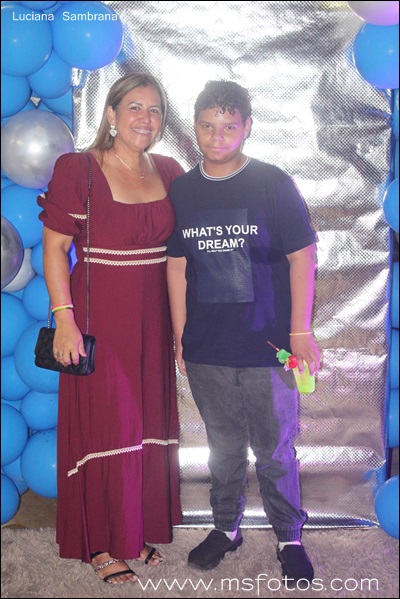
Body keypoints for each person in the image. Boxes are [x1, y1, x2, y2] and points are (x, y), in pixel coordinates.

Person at [166, 80, 321, 587]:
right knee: (223, 448)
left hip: (267, 346)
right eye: (208, 125)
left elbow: (302, 256)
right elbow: (176, 266)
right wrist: (180, 335)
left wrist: (300, 330)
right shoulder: (182, 191)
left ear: (247, 127)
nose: (218, 136)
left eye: (229, 126)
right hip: (207, 348)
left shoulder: (272, 183)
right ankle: (225, 528)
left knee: (275, 450)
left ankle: (289, 538)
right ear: (194, 127)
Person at [38, 73, 183, 584]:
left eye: (155, 110)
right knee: (108, 424)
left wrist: (182, 331)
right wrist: (64, 320)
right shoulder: (79, 169)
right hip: (100, 317)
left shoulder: (169, 170)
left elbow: (180, 259)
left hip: (153, 318)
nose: (146, 118)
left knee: (145, 424)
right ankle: (100, 542)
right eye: (135, 107)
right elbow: (55, 248)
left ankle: (132, 529)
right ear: (112, 114)